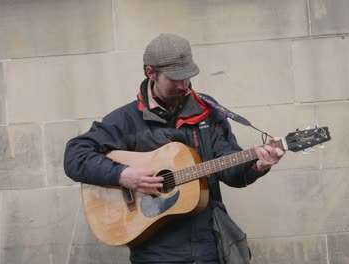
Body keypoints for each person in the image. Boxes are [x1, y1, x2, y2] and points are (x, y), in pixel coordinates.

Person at [64, 33, 285, 264]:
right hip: (155, 253)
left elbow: (230, 170)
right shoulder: (126, 120)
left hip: (209, 248)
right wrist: (122, 175)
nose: (183, 85)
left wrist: (258, 165)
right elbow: (74, 155)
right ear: (151, 73)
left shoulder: (208, 113)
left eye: (187, 77)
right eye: (174, 78)